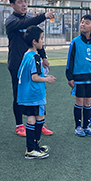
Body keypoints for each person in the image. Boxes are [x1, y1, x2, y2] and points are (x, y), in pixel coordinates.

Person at [5, 0, 55, 137]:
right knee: (19, 94)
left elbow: (37, 40)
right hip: (17, 64)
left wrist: (44, 57)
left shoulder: (29, 20)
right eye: (20, 2)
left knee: (38, 91)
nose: (24, 4)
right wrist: (43, 16)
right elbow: (26, 23)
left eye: (25, 1)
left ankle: (40, 123)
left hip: (33, 62)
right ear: (12, 5)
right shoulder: (11, 21)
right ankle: (19, 125)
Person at [17, 26, 57, 159]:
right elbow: (34, 77)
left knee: (37, 117)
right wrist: (47, 79)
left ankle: (35, 146)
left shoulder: (27, 54)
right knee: (35, 118)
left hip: (28, 93)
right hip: (34, 93)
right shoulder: (35, 57)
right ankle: (31, 149)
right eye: (41, 38)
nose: (42, 41)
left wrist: (44, 75)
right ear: (34, 41)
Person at [66, 14, 91, 137]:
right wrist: (70, 77)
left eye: (86, 23)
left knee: (88, 102)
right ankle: (78, 127)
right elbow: (70, 60)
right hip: (78, 77)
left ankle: (86, 126)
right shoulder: (75, 42)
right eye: (82, 22)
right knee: (79, 101)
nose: (83, 24)